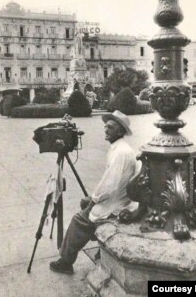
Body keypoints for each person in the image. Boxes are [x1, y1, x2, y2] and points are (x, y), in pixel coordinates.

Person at [49, 110, 138, 274]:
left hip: (113, 205)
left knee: (78, 220)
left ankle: (66, 262)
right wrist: (93, 198)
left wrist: (92, 201)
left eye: (110, 127)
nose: (106, 129)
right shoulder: (121, 148)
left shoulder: (120, 152)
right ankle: (98, 253)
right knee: (86, 211)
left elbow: (109, 185)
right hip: (119, 200)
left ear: (120, 131)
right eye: (106, 126)